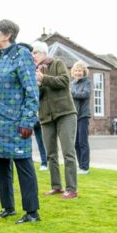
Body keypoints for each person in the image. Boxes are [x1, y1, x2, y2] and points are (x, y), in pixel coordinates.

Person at [0, 20, 40, 224]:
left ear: (8, 35)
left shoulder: (21, 55)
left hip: (16, 122)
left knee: (23, 165)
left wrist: (27, 121)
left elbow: (32, 91)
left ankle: (32, 212)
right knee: (0, 163)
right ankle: (8, 207)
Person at [33, 42, 79, 199]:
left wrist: (44, 78)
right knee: (50, 154)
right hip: (46, 117)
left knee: (68, 152)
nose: (33, 56)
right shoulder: (33, 72)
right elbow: (35, 97)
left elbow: (64, 81)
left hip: (65, 113)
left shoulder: (57, 63)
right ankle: (56, 187)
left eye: (35, 53)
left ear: (43, 53)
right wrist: (37, 84)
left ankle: (72, 189)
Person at [71, 61, 92, 173]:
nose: (78, 72)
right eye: (76, 70)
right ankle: (81, 166)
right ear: (73, 72)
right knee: (76, 143)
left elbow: (85, 94)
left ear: (84, 72)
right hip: (74, 115)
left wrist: (72, 93)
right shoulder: (72, 84)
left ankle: (85, 167)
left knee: (83, 142)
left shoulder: (87, 83)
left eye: (80, 70)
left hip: (83, 115)